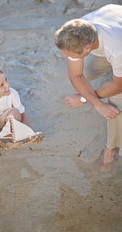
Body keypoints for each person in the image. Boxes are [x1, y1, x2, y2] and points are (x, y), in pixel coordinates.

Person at [54, 4, 122, 172]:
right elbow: (76, 76)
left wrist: (84, 99)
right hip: (111, 34)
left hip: (117, 45)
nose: (64, 56)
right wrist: (97, 104)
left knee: (115, 100)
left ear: (87, 48)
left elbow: (118, 86)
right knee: (85, 72)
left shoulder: (118, 50)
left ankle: (111, 149)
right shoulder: (77, 30)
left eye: (68, 53)